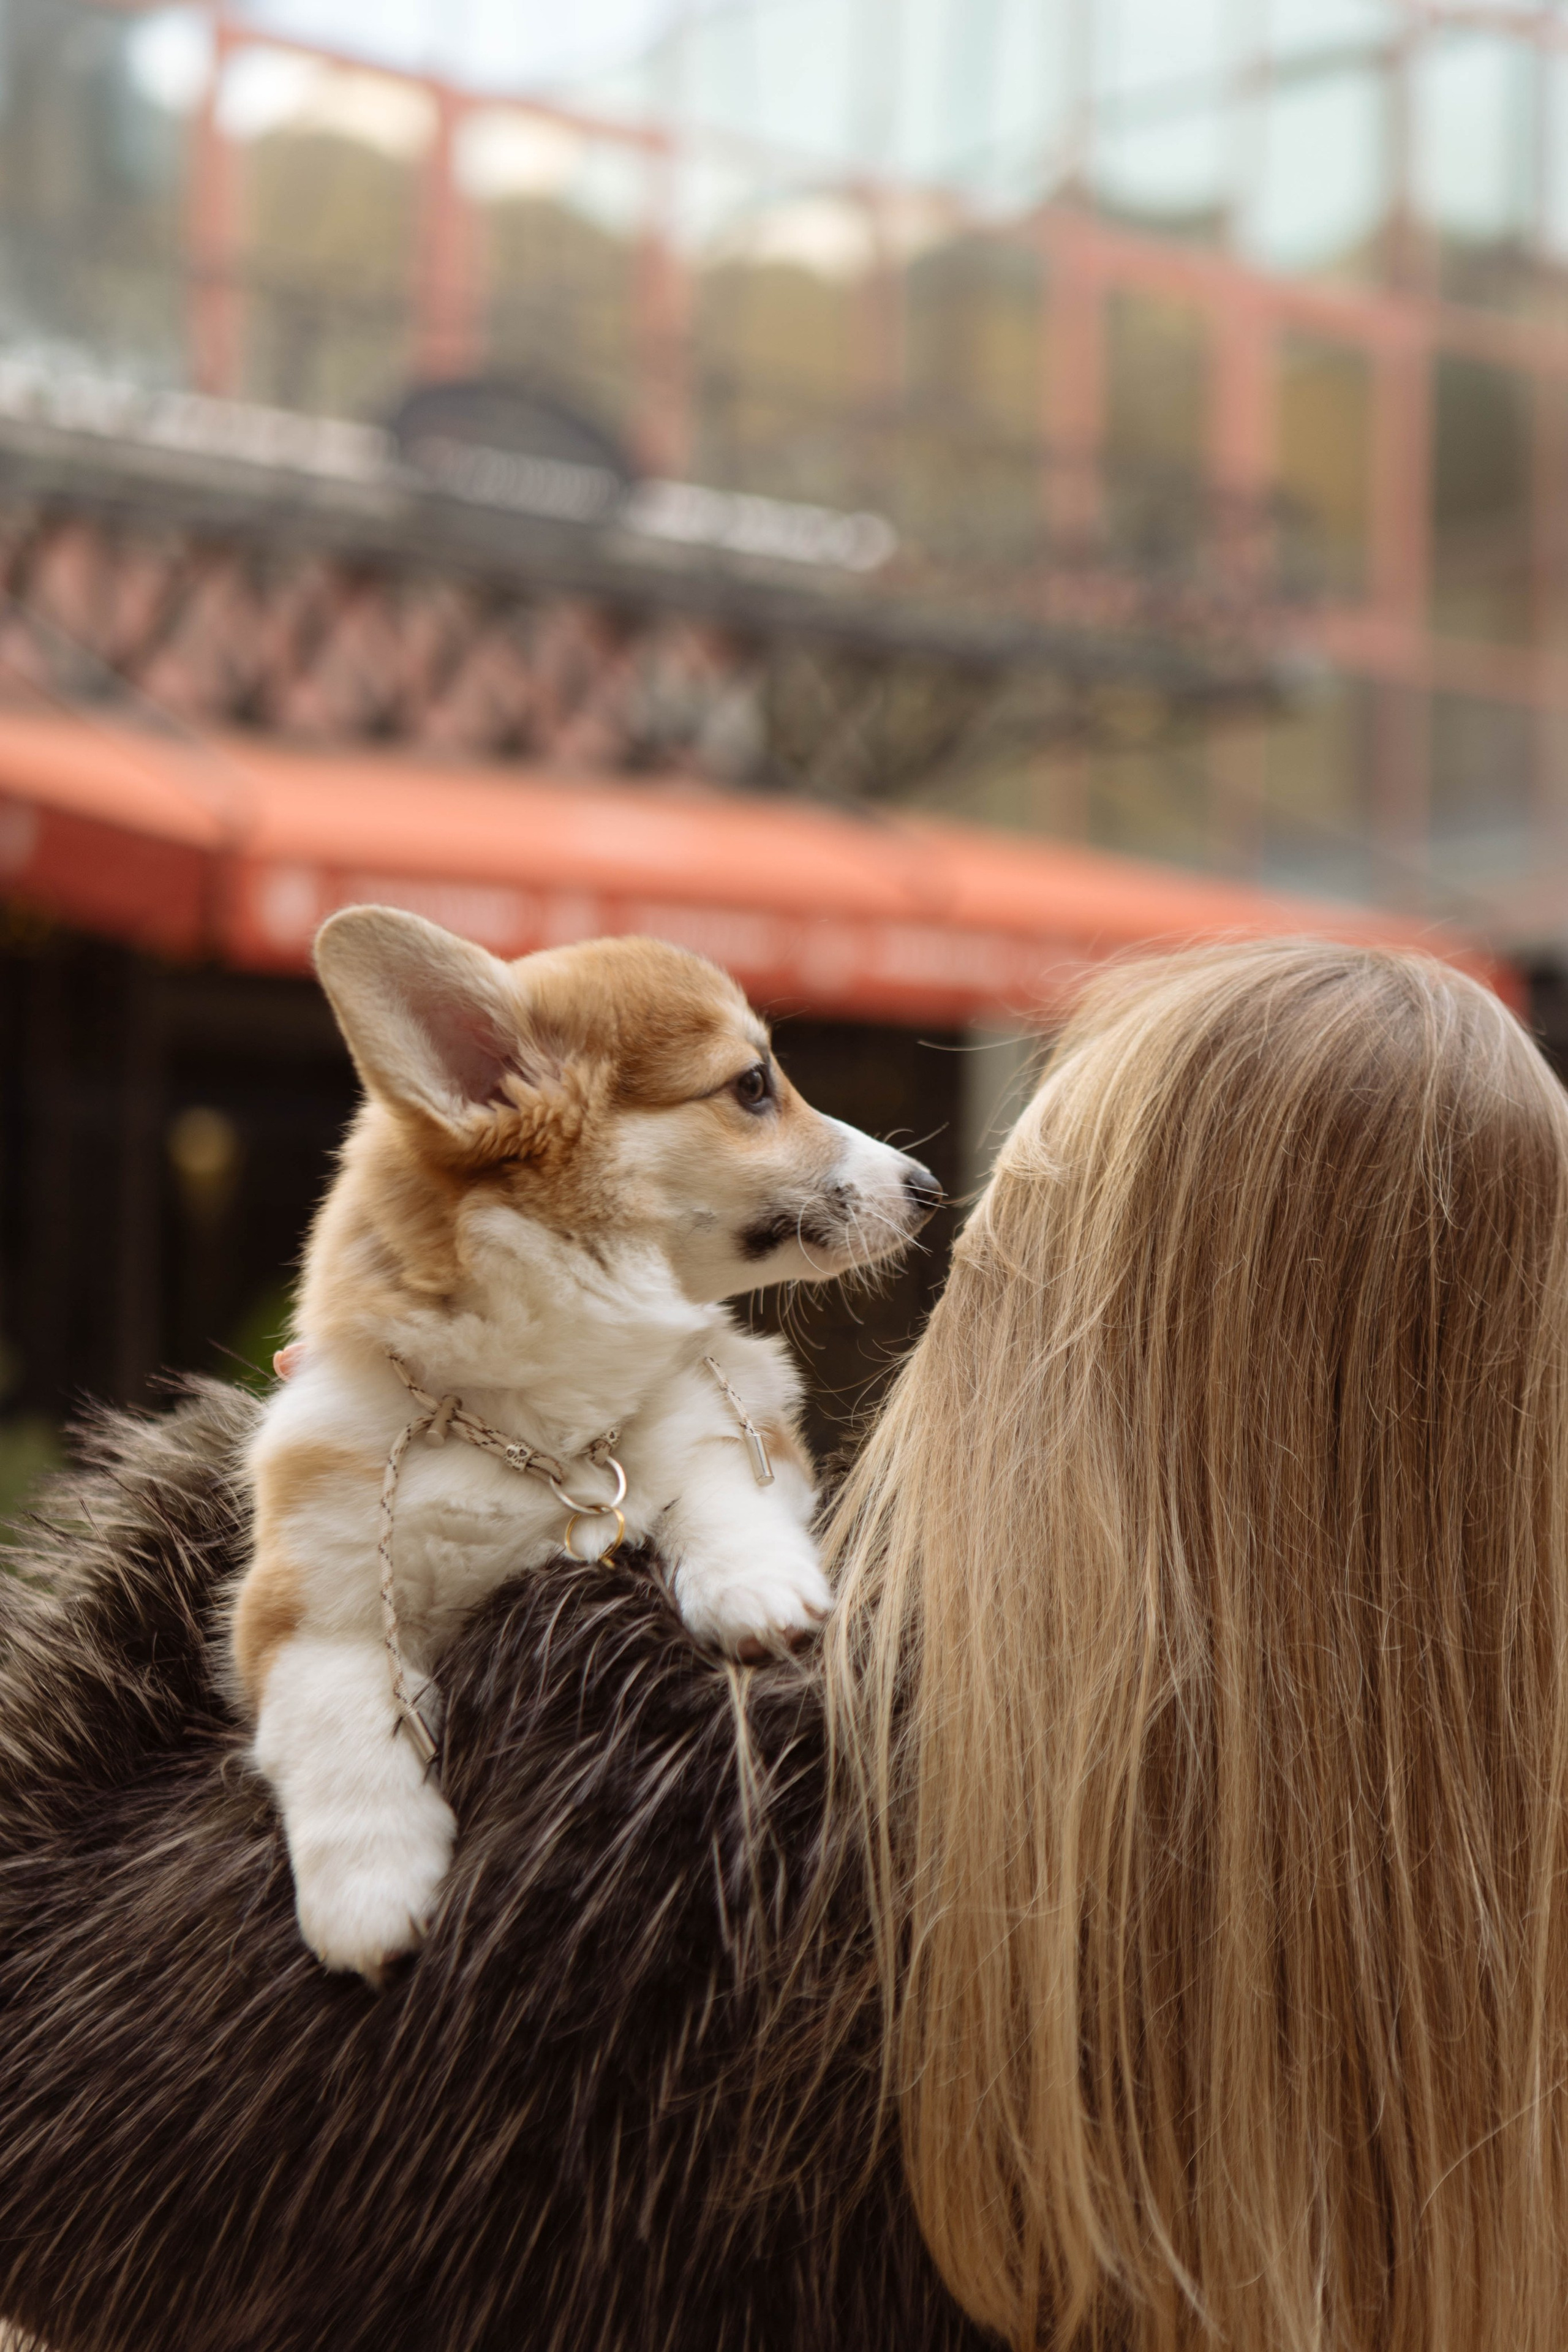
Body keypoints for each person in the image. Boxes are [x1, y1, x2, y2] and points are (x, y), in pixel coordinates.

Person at [2, 938, 1566, 2352]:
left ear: (1024, 1338)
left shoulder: (658, 1807)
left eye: (991, 1246)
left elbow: (68, 2164)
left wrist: (230, 1520)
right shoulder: (1498, 1976)